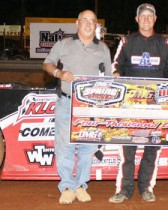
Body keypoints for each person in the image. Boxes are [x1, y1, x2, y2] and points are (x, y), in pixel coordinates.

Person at [108, 3, 168, 203]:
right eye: (143, 16)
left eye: (150, 16)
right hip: (130, 106)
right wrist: (115, 73)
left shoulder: (165, 43)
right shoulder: (126, 41)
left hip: (156, 107)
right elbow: (116, 65)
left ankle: (146, 187)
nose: (146, 19)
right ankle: (124, 189)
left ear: (155, 19)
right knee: (127, 149)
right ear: (137, 19)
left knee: (152, 148)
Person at [43, 10, 112, 204]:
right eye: (85, 21)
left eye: (92, 21)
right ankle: (66, 186)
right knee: (64, 144)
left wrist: (114, 78)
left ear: (96, 25)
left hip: (91, 105)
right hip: (66, 101)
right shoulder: (63, 44)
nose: (89, 24)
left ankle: (81, 185)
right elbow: (47, 63)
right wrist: (59, 73)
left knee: (88, 146)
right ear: (77, 23)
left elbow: (109, 77)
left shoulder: (103, 49)